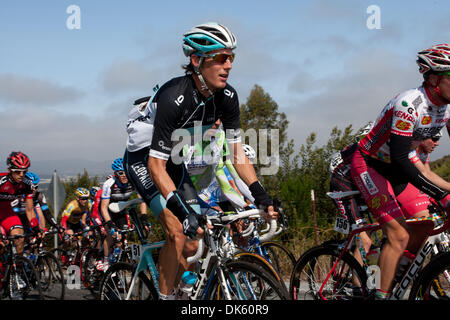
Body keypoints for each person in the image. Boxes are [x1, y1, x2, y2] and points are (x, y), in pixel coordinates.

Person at [123, 22, 277, 300]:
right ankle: (166, 297)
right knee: (178, 230)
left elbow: (235, 152)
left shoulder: (228, 97)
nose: (228, 65)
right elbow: (155, 167)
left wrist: (260, 194)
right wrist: (182, 214)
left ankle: (181, 292)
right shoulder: (174, 97)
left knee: (193, 244)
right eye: (220, 57)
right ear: (196, 60)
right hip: (144, 158)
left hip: (173, 157)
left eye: (231, 57)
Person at [350, 43, 450, 299]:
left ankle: (397, 273)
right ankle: (382, 294)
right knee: (398, 234)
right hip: (371, 165)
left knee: (425, 223)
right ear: (435, 79)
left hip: (400, 168)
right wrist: (440, 195)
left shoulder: (445, 108)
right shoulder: (409, 103)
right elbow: (401, 159)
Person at [99, 158, 147, 271]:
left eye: (125, 171)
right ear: (115, 173)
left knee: (122, 238)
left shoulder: (133, 181)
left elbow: (142, 200)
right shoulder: (109, 184)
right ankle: (105, 260)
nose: (124, 175)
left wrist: (144, 217)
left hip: (121, 209)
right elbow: (103, 208)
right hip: (108, 211)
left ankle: (118, 262)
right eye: (121, 173)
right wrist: (110, 225)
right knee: (111, 235)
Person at [0, 151, 39, 256]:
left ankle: (19, 269)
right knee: (1, 244)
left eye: (24, 171)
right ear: (9, 170)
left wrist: (36, 227)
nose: (21, 175)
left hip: (6, 212)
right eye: (17, 171)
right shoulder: (1, 182)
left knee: (20, 238)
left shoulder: (27, 185)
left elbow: (30, 210)